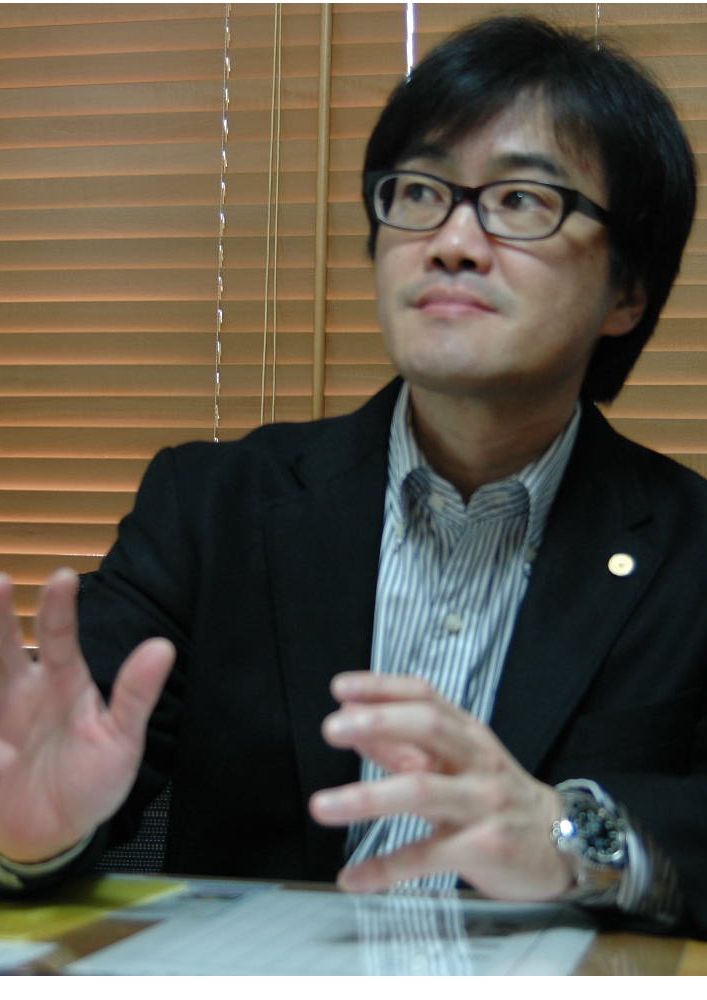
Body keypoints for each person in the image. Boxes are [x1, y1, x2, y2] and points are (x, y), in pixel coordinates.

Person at [1, 15, 706, 938]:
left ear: (627, 291)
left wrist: (570, 833)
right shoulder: (212, 507)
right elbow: (65, 762)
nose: (452, 241)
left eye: (521, 200)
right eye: (418, 192)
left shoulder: (689, 551)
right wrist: (32, 836)